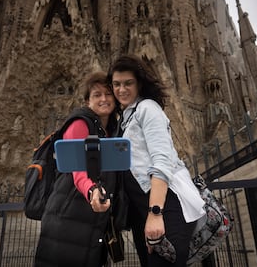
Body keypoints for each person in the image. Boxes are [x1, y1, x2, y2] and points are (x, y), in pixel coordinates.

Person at [107, 54, 206, 267]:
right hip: (143, 211)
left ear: (140, 84)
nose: (121, 90)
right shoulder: (124, 119)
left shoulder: (147, 108)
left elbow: (161, 161)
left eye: (128, 83)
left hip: (165, 204)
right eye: (116, 84)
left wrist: (155, 213)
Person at [35, 71, 118, 267]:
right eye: (97, 95)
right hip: (68, 219)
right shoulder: (80, 123)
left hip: (92, 222)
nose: (104, 99)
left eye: (108, 94)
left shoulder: (111, 131)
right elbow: (77, 169)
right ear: (87, 101)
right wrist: (91, 190)